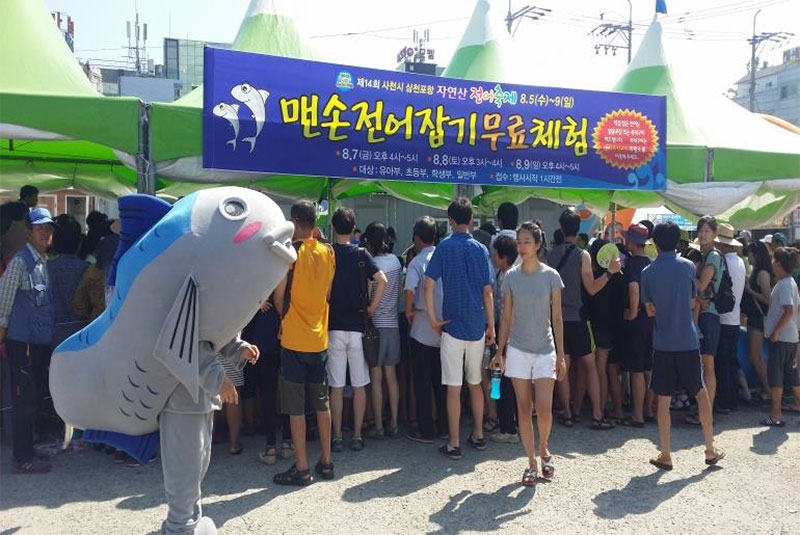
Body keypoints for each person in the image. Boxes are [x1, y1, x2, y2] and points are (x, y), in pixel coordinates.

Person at [641, 222, 725, 470]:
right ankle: (709, 449)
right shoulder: (688, 267)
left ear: (655, 243)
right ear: (678, 242)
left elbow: (649, 309)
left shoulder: (647, 272)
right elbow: (692, 299)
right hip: (687, 339)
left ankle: (665, 454)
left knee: (664, 399)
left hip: (663, 342)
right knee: (700, 392)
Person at [491, 222, 565, 485]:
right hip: (518, 350)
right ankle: (531, 463)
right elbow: (506, 317)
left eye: (527, 242)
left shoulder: (551, 276)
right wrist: (500, 352)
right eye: (519, 242)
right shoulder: (511, 277)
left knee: (544, 410)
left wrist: (562, 355)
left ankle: (544, 449)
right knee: (524, 409)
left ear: (538, 245)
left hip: (545, 349)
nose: (522, 247)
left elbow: (557, 318)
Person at [424, 198, 495, 460]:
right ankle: (478, 433)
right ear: (472, 220)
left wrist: (433, 319)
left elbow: (428, 284)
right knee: (475, 383)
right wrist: (492, 326)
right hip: (477, 325)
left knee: (453, 387)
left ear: (451, 221)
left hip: (451, 325)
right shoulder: (481, 249)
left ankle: (454, 442)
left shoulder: (443, 247)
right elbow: (488, 291)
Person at [273, 200, 336, 486]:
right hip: (319, 338)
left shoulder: (290, 254)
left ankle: (302, 468)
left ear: (295, 222)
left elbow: (278, 298)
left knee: (296, 408)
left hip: (294, 339)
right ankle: (326, 461)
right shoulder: (328, 252)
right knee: (322, 403)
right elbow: (327, 292)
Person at [547, 209, 618, 430]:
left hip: (557, 317)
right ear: (578, 230)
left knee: (563, 367)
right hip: (578, 317)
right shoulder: (582, 255)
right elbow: (592, 288)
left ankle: (567, 413)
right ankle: (597, 414)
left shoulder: (551, 255)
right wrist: (610, 273)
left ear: (561, 228)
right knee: (590, 366)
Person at [0, 208, 56, 473]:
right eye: (40, 228)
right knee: (23, 402)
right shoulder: (21, 262)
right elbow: (3, 303)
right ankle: (22, 460)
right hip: (21, 344)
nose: (45, 233)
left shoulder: (42, 261)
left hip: (37, 344)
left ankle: (28, 453)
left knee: (32, 400)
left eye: (48, 228)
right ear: (28, 233)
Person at [327, 208, 387, 452]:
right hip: (358, 326)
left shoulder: (328, 253)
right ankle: (358, 435)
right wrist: (371, 307)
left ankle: (337, 436)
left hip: (333, 326)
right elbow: (382, 280)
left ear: (333, 228)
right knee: (361, 383)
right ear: (353, 229)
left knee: (337, 385)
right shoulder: (361, 254)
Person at [405, 216, 447, 444]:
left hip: (422, 327)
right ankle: (444, 426)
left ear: (417, 239)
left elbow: (409, 290)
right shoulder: (445, 258)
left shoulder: (417, 263)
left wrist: (409, 310)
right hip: (445, 327)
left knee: (421, 382)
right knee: (442, 382)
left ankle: (425, 429)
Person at [363, 222, 402, 439]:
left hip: (376, 325)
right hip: (393, 324)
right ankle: (394, 422)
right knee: (392, 376)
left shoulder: (372, 264)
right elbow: (397, 291)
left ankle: (378, 425)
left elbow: (370, 293)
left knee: (375, 376)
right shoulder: (395, 260)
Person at [686, 216, 723, 426]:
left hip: (710, 314)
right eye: (701, 230)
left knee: (708, 363)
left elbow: (701, 286)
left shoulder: (713, 257)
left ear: (715, 234)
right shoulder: (705, 255)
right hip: (707, 313)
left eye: (707, 231)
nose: (702, 234)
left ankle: (706, 412)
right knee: (705, 363)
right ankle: (704, 410)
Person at [760, 247, 800, 427]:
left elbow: (789, 310)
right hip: (791, 336)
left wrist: (776, 331)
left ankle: (776, 414)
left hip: (782, 337)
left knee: (776, 377)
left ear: (779, 264)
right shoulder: (790, 282)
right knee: (792, 375)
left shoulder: (784, 284)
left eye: (774, 260)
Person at [587, 238, 626, 422]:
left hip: (598, 327)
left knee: (598, 371)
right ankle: (615, 409)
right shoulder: (619, 275)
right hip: (615, 328)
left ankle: (599, 410)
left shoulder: (593, 276)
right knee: (611, 371)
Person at [620, 223, 654, 427]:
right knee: (648, 368)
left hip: (638, 319)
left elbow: (633, 289)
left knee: (636, 369)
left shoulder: (632, 265)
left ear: (632, 242)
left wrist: (632, 313)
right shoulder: (650, 263)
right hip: (651, 319)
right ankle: (648, 410)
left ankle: (637, 415)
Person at [489, 235, 520, 443]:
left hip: (509, 335)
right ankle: (509, 424)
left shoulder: (509, 277)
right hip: (507, 333)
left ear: (503, 256)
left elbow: (510, 313)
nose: (492, 256)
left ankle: (509, 429)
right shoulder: (505, 274)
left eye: (495, 253)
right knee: (504, 381)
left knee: (505, 382)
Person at [714, 224, 746, 413]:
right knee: (730, 361)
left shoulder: (723, 262)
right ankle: (732, 399)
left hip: (723, 317)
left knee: (722, 362)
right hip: (734, 319)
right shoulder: (740, 261)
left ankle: (724, 401)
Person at [48, 216, 89, 347]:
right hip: (83, 334)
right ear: (79, 241)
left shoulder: (45, 268)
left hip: (51, 335)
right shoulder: (88, 269)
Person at [742, 241, 773, 400]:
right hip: (754, 318)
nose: (749, 257)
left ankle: (769, 390)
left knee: (755, 356)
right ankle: (768, 389)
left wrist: (750, 291)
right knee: (754, 356)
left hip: (759, 319)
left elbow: (768, 300)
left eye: (751, 254)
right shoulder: (756, 271)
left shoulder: (762, 274)